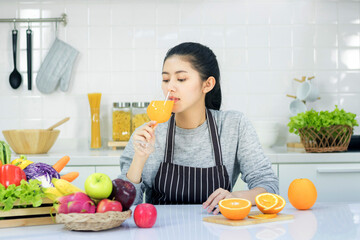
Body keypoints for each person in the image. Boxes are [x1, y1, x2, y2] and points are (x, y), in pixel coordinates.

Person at [119, 42, 278, 214]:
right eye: (165, 79)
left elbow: (269, 186)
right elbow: (124, 203)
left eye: (181, 79)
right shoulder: (147, 135)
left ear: (207, 84)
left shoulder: (234, 126)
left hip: (218, 230)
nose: (169, 87)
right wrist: (139, 158)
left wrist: (237, 196)